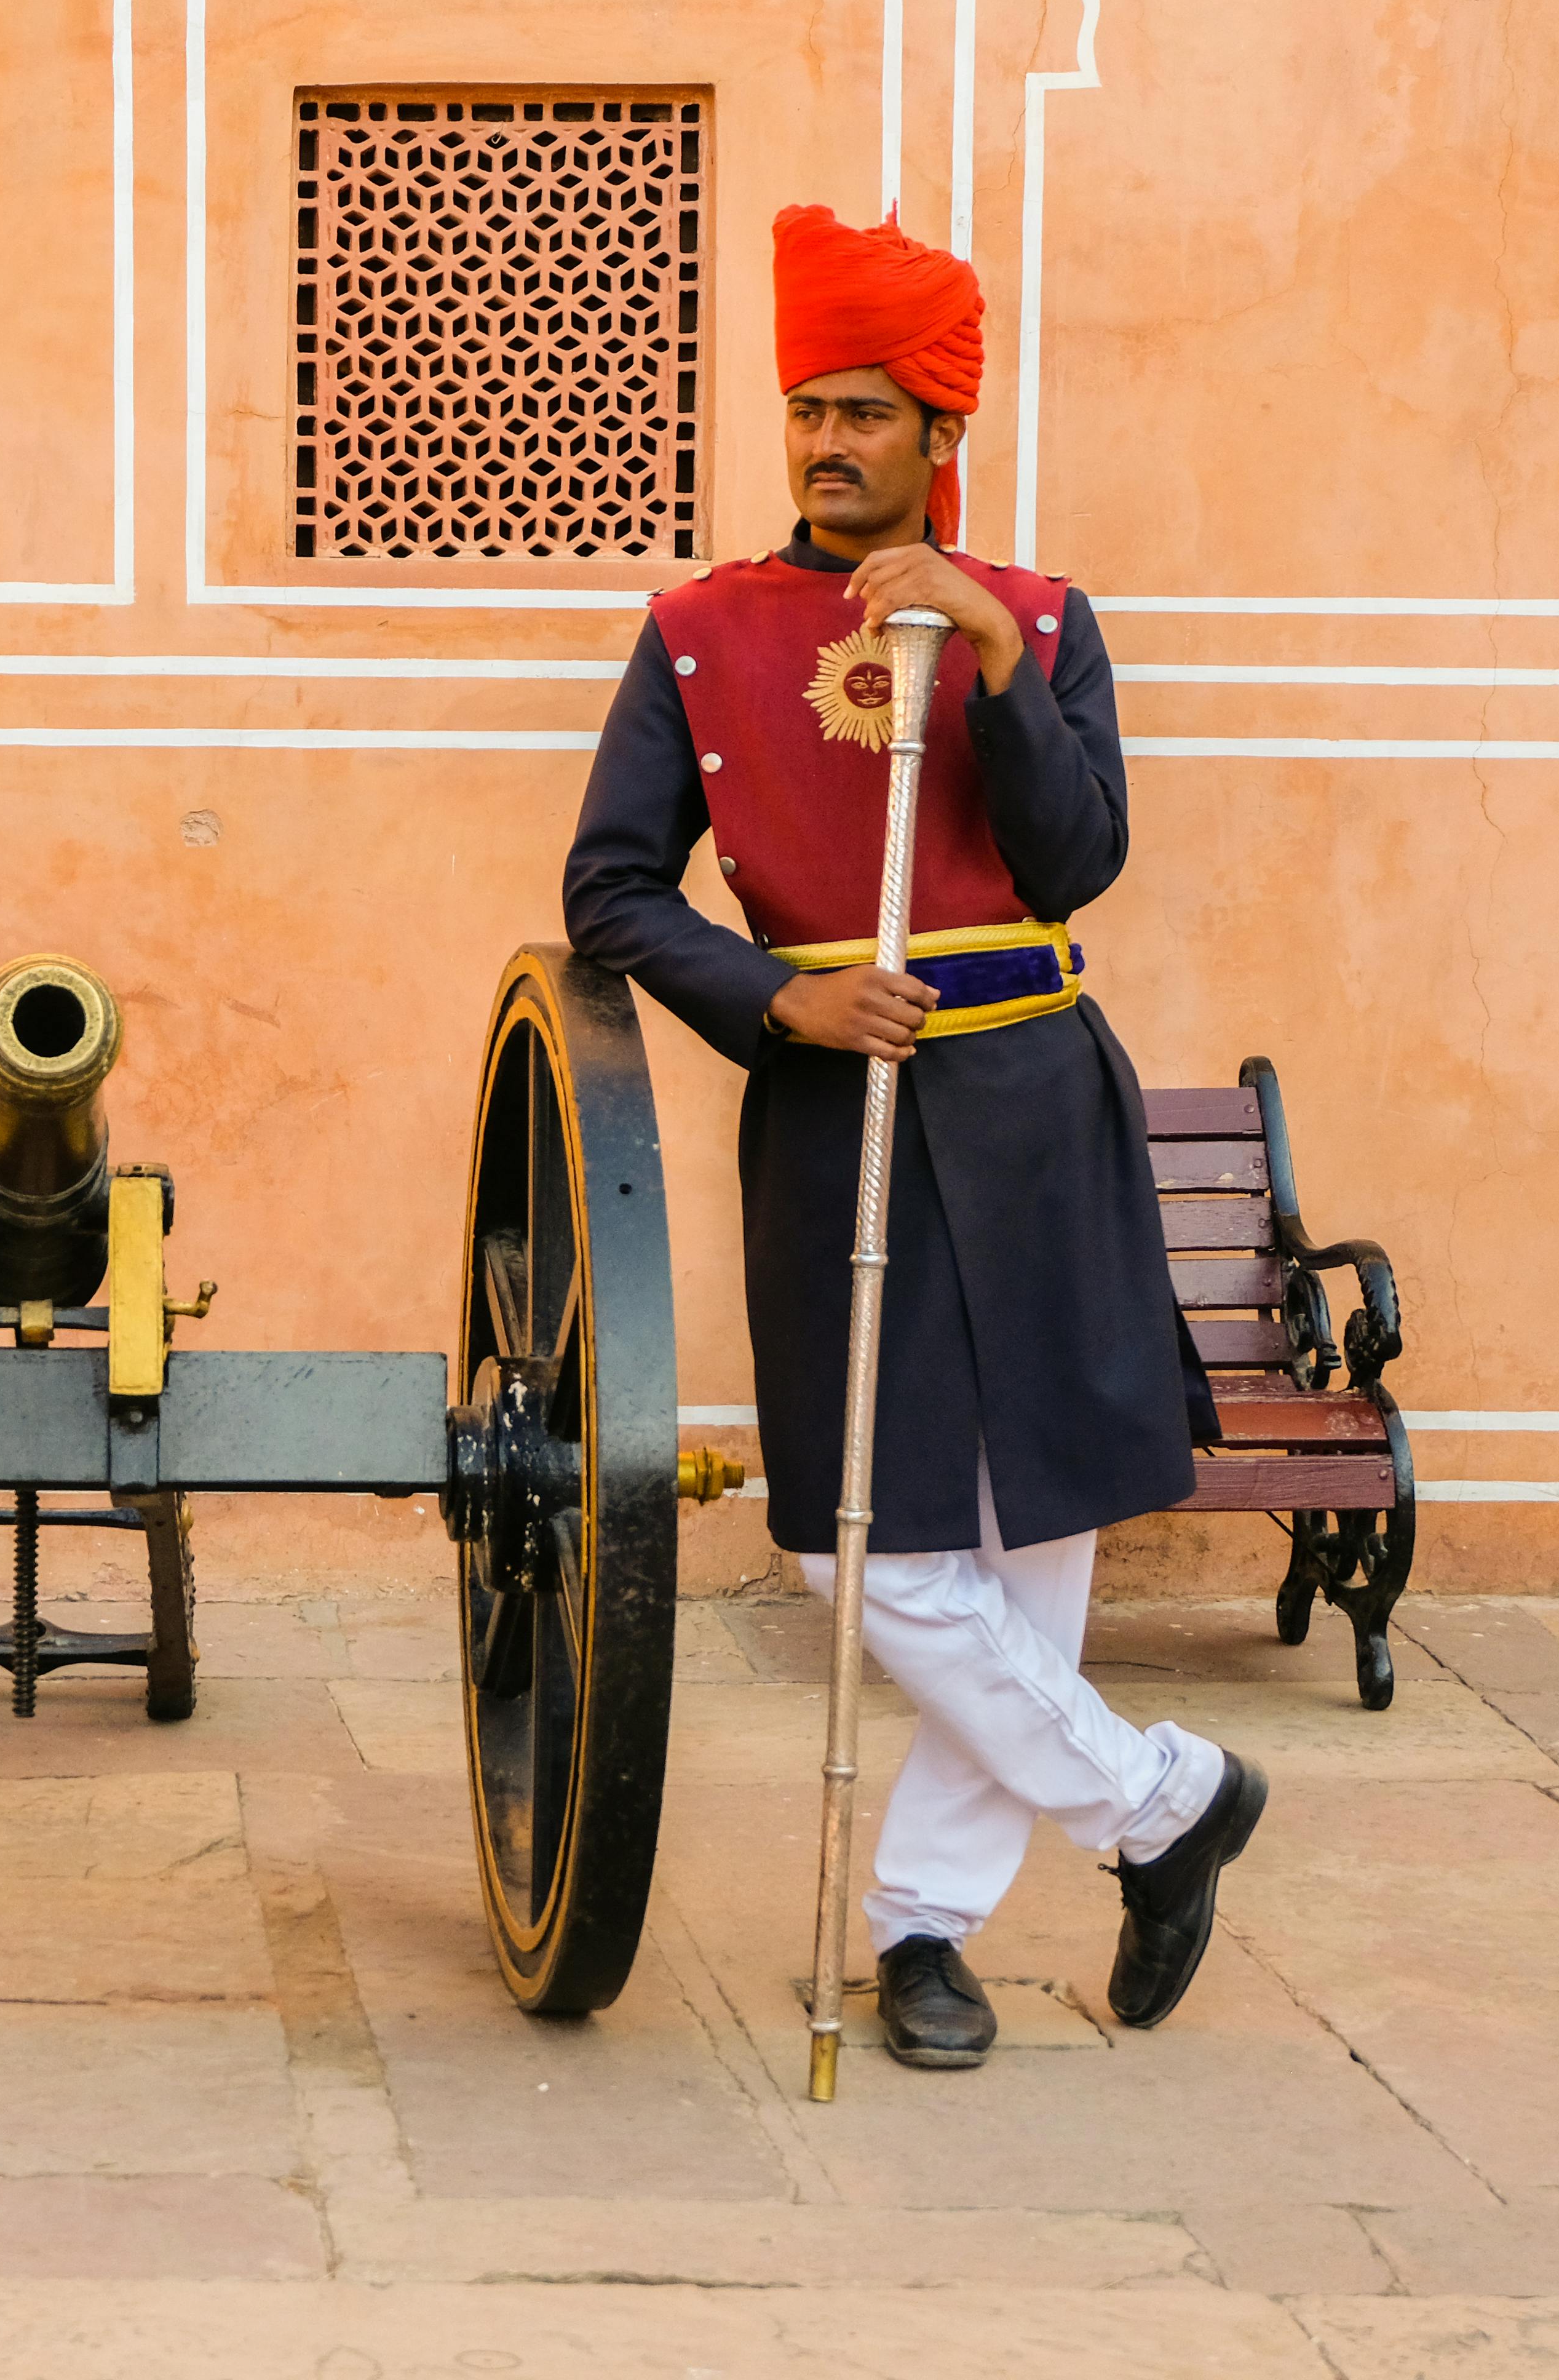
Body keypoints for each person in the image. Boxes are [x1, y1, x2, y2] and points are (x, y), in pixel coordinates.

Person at [561, 204, 1264, 2069]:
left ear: (939, 436)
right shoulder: (697, 638)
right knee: (855, 1541)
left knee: (1031, 1541)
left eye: (866, 411)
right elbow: (611, 892)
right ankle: (1160, 1801)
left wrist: (994, 664)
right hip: (829, 1106)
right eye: (807, 408)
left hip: (1035, 1102)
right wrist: (775, 997)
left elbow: (1080, 859)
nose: (827, 443)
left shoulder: (1040, 620)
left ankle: (927, 1935)